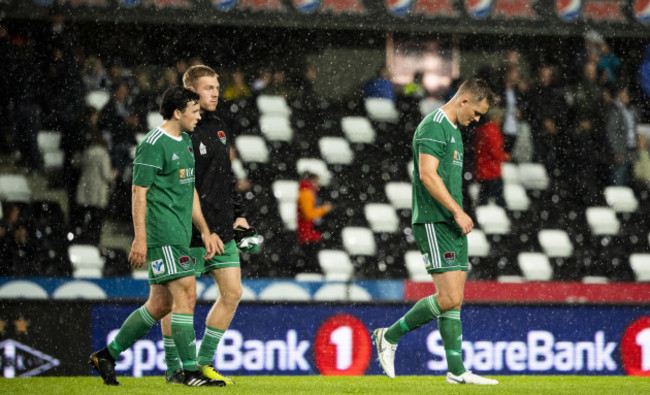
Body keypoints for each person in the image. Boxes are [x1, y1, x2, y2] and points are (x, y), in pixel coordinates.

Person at [88, 86, 223, 387]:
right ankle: (189, 371)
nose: (199, 116)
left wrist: (203, 229)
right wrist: (140, 239)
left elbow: (189, 192)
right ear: (177, 112)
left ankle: (107, 355)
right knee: (187, 294)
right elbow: (139, 193)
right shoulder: (152, 144)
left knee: (160, 304)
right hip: (163, 234)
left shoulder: (186, 141)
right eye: (194, 111)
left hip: (182, 233)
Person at [373, 79, 498, 385]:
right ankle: (389, 336)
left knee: (454, 300)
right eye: (478, 112)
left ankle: (456, 371)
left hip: (451, 222)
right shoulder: (434, 126)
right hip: (434, 220)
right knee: (449, 296)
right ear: (464, 101)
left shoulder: (454, 130)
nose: (478, 120)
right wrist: (457, 211)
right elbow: (427, 175)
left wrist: (457, 214)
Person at [159, 64, 249, 385]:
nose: (216, 92)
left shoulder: (220, 127)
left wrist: (238, 212)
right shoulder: (182, 132)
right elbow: (186, 185)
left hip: (223, 228)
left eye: (217, 86)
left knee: (233, 292)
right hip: (191, 229)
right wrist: (202, 228)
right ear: (192, 93)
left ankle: (202, 362)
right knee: (181, 300)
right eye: (209, 87)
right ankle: (175, 368)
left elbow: (225, 177)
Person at [74, 132, 116, 244]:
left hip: (85, 190)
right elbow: (106, 175)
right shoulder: (103, 154)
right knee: (96, 221)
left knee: (84, 219)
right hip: (97, 192)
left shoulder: (87, 152)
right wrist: (114, 175)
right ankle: (94, 241)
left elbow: (77, 164)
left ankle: (83, 240)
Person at [296, 171, 332, 274]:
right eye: (317, 181)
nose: (319, 184)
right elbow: (308, 214)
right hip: (307, 235)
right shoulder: (306, 193)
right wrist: (324, 209)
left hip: (307, 234)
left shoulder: (307, 192)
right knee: (312, 266)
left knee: (310, 264)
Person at [474, 107, 510, 207]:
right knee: (498, 198)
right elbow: (495, 151)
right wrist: (505, 157)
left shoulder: (482, 129)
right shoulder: (492, 130)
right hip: (491, 170)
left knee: (483, 197)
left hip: (483, 169)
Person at [606, 83, 639, 186]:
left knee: (626, 179)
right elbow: (611, 132)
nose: (627, 96)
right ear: (618, 95)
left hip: (629, 150)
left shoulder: (627, 109)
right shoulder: (615, 110)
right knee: (619, 179)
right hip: (622, 151)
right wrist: (617, 151)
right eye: (624, 93)